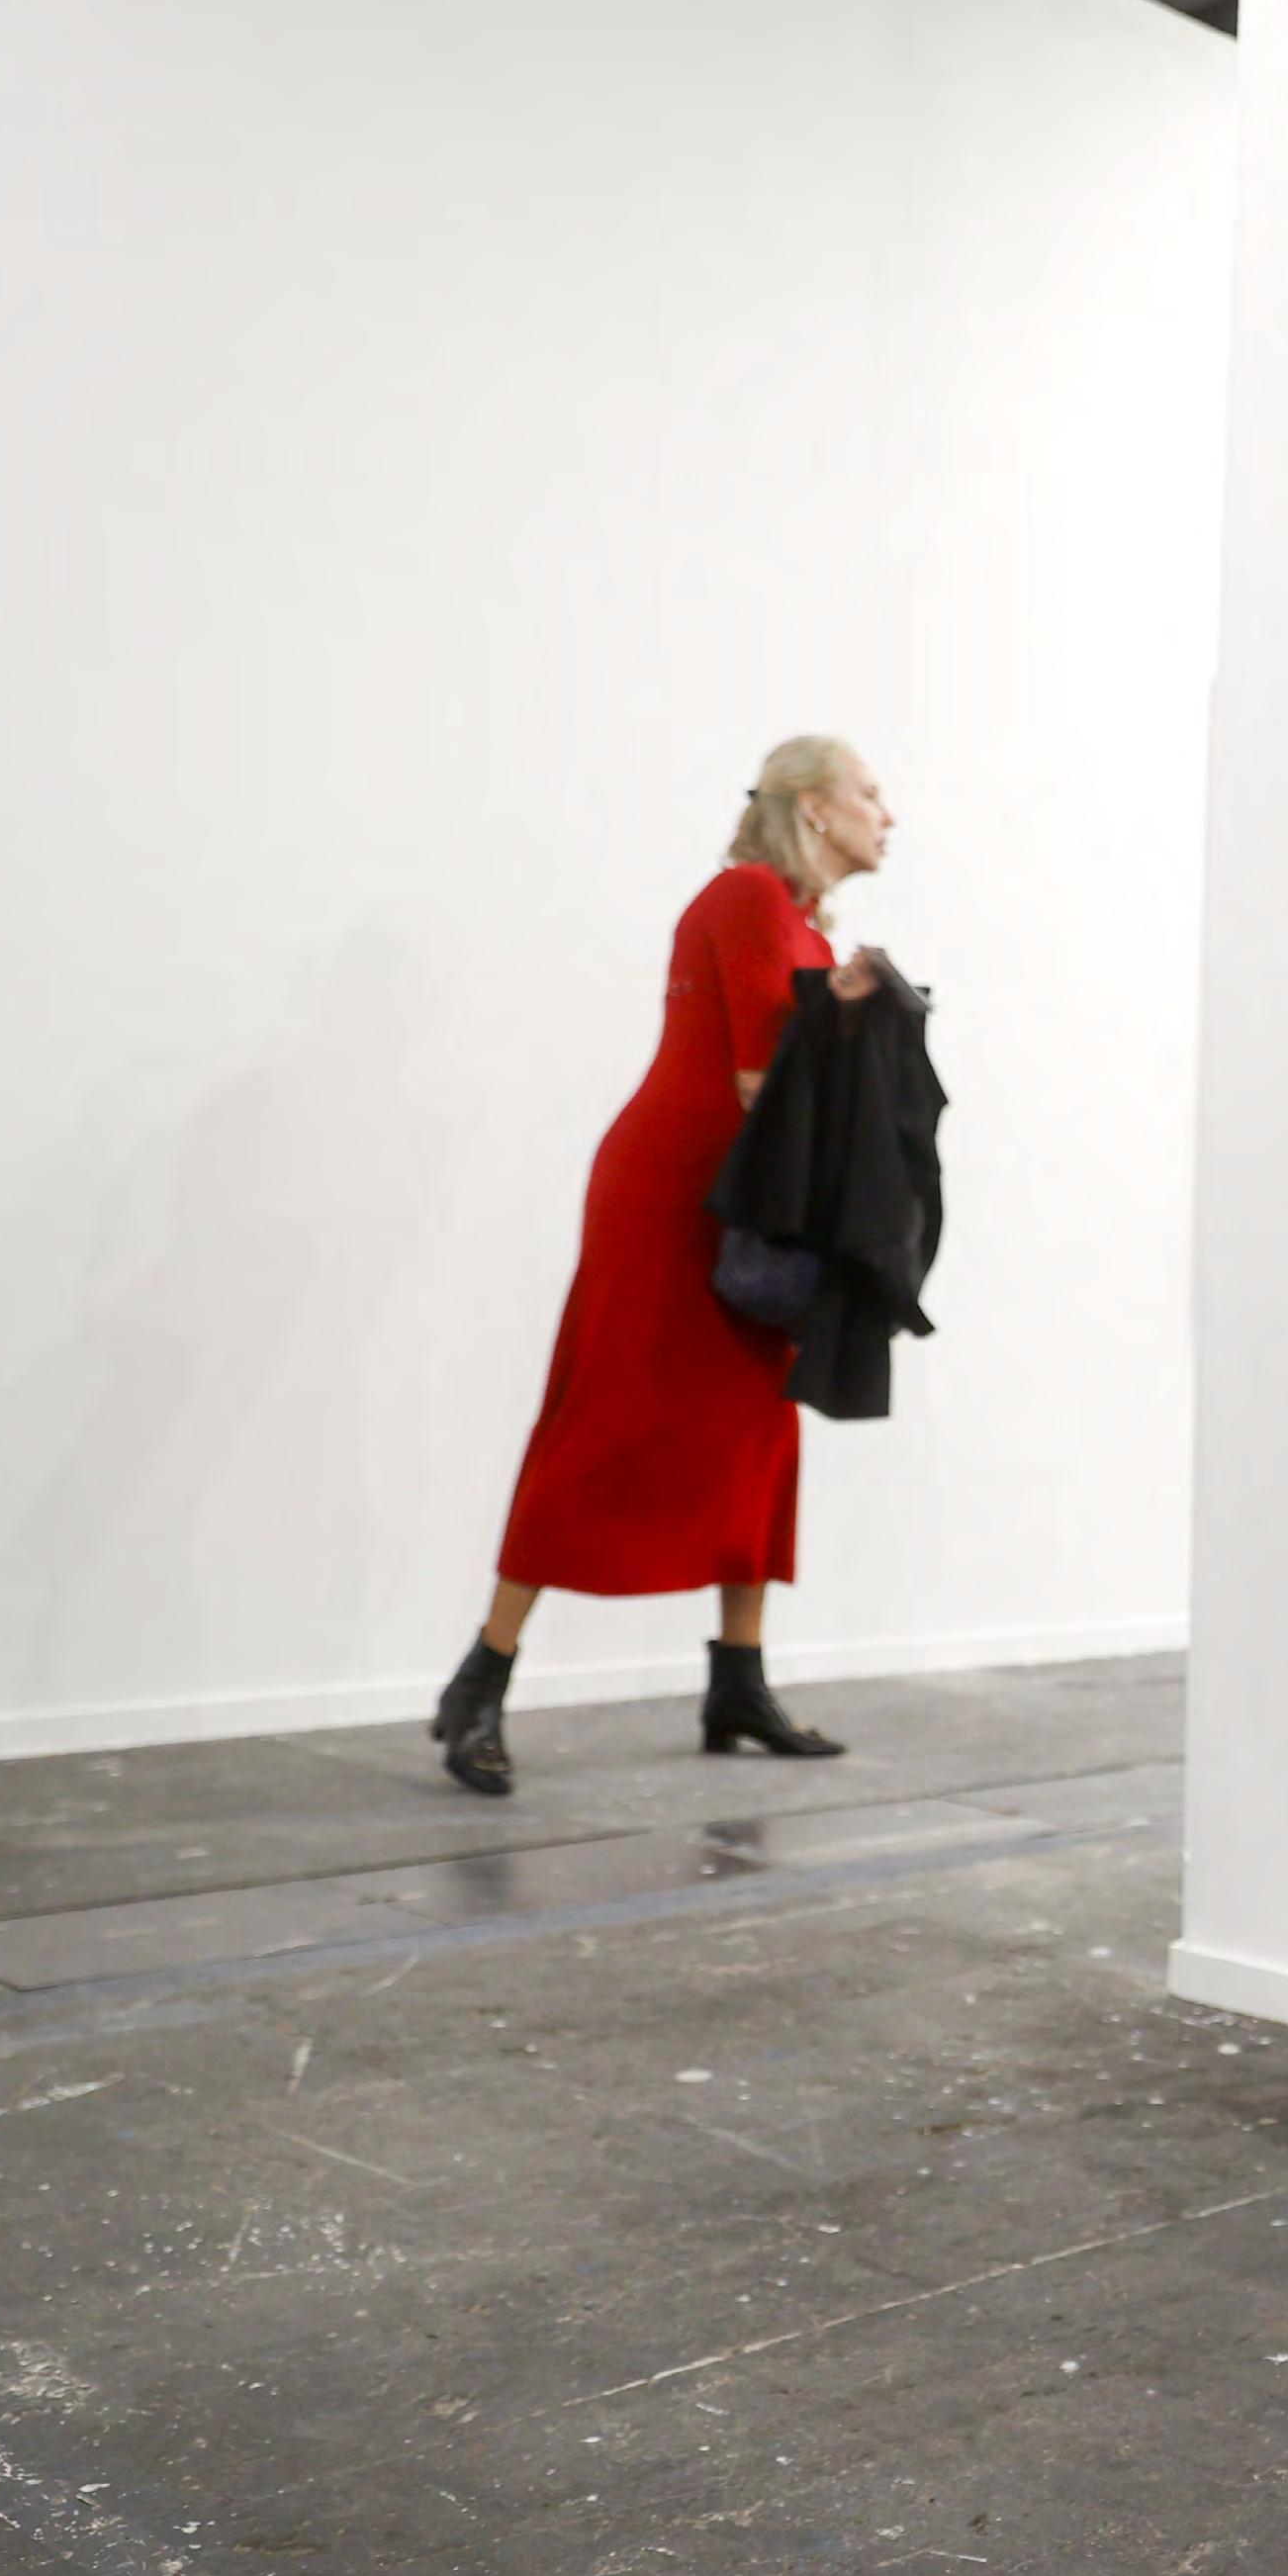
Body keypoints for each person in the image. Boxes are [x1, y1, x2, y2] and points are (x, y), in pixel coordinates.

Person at [429, 737, 895, 1796]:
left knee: (759, 1428)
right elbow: (754, 1081)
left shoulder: (802, 923)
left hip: (751, 1195)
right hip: (679, 1197)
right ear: (814, 808)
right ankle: (480, 1677)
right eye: (870, 793)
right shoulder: (746, 897)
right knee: (603, 1417)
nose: (888, 814)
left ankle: (739, 1681)